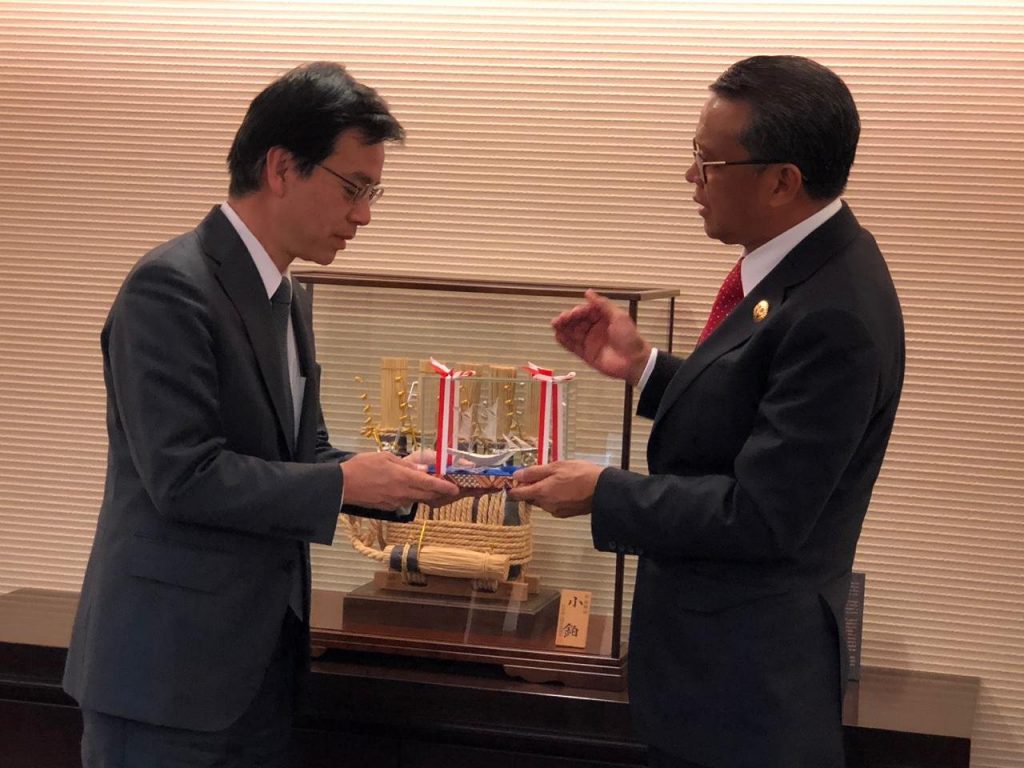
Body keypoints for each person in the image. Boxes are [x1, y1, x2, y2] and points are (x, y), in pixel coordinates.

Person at [510, 55, 905, 768]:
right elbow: (756, 406)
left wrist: (604, 493)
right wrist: (647, 368)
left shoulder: (835, 310)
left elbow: (761, 515)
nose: (690, 176)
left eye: (709, 161)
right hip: (715, 682)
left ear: (782, 181)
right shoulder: (799, 271)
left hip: (749, 700)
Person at [63, 62, 460, 767]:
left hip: (257, 671)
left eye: (373, 193)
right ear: (280, 167)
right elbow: (184, 477)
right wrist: (344, 483)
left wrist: (397, 479)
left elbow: (300, 455)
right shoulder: (169, 286)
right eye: (353, 188)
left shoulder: (287, 298)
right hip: (164, 678)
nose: (364, 215)